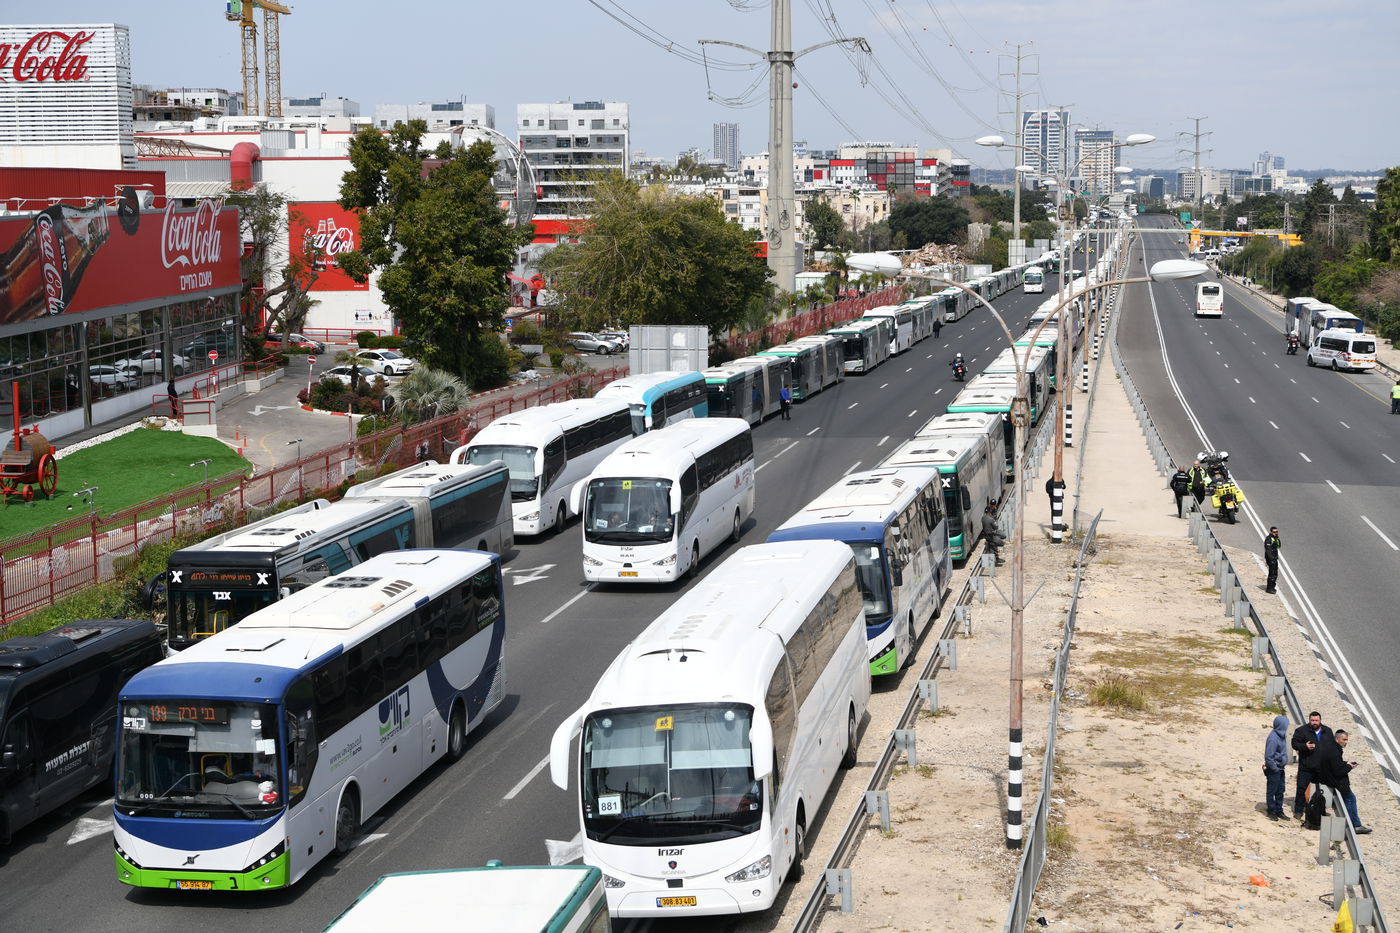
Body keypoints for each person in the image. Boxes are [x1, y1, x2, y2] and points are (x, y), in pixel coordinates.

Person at [1316, 729, 1371, 833]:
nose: (1346, 742)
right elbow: (1338, 771)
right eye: (1344, 740)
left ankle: (1352, 824)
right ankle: (1355, 825)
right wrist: (1349, 767)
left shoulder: (1331, 747)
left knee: (1348, 799)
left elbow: (1335, 764)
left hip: (1327, 779)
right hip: (1336, 782)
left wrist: (1346, 763)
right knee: (1350, 799)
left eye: (1347, 740)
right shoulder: (1335, 751)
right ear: (1337, 739)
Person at [1291, 711, 1333, 819]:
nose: (1314, 722)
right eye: (1312, 720)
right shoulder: (1301, 731)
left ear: (1320, 720)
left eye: (1316, 720)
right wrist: (1305, 746)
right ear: (1309, 720)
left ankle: (1319, 809)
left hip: (1321, 767)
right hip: (1306, 767)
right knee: (1301, 789)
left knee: (1321, 790)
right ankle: (1298, 810)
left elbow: (1332, 746)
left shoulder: (1327, 731)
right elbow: (1294, 744)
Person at [1263, 714, 1289, 820]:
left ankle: (1279, 810)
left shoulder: (1282, 736)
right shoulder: (1273, 738)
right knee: (1272, 790)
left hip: (1280, 768)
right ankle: (1271, 811)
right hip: (1274, 769)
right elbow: (1269, 757)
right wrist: (1274, 768)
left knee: (1280, 790)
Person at [981, 499, 1006, 565]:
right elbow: (995, 526)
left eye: (993, 505)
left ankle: (995, 557)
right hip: (991, 534)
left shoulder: (983, 517)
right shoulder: (990, 518)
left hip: (989, 533)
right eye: (991, 505)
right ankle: (996, 559)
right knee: (999, 542)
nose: (992, 506)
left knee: (1000, 537)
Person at [1263, 526, 1281, 594]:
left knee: (1275, 573)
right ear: (1271, 532)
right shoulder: (1268, 539)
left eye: (1276, 532)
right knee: (1272, 574)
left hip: (1275, 558)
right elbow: (1268, 550)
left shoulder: (1275, 538)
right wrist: (1271, 560)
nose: (1276, 533)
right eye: (1274, 532)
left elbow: (1279, 546)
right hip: (1271, 559)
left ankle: (1273, 586)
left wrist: (1278, 539)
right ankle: (1269, 588)